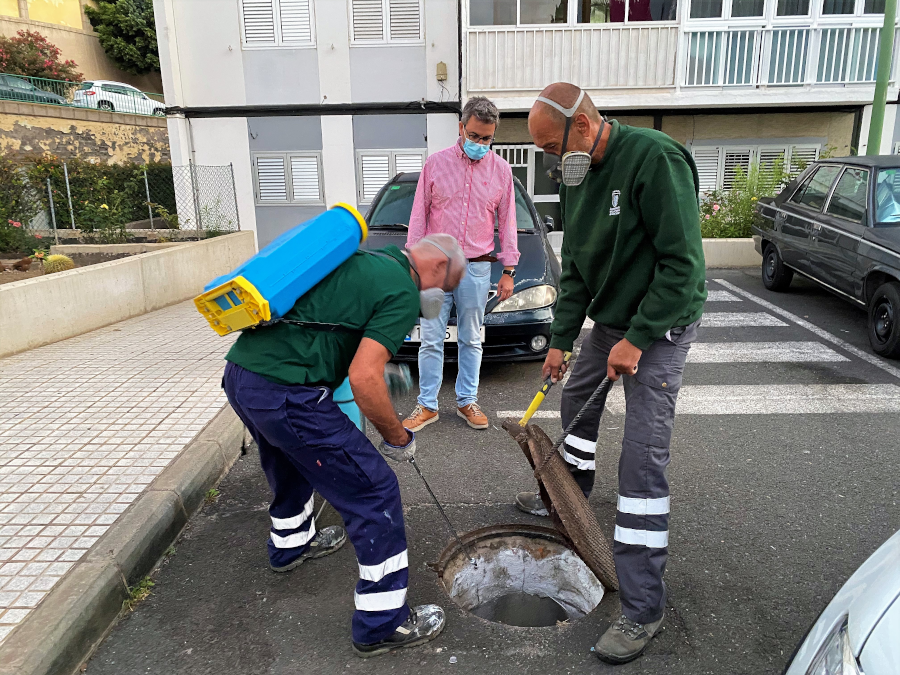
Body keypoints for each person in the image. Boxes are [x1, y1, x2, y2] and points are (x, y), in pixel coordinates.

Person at [514, 83, 706, 664]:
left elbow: (683, 266)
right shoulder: (580, 178)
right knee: (577, 402)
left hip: (662, 324)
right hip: (613, 320)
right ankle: (573, 495)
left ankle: (643, 609)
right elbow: (576, 269)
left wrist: (639, 339)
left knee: (641, 464)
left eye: (550, 146)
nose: (550, 159)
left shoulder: (655, 159)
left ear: (583, 123)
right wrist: (563, 340)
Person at [222, 234, 467, 657]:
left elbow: (331, 335)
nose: (439, 296)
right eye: (446, 287)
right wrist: (398, 437)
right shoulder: (402, 289)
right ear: (438, 267)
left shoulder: (364, 259)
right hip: (287, 394)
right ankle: (382, 623)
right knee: (374, 490)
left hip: (242, 377)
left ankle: (290, 545)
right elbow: (364, 378)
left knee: (291, 461)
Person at [403, 96, 520, 433]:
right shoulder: (435, 165)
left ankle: (468, 400)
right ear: (461, 128)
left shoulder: (501, 171)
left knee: (471, 338)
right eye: (474, 136)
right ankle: (427, 405)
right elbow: (419, 216)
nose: (479, 143)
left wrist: (509, 270)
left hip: (477, 268)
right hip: (436, 267)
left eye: (486, 138)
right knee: (430, 338)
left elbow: (508, 221)